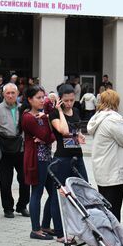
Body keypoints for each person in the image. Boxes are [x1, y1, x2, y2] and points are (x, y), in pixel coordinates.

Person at [48, 84, 89, 237]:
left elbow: (74, 131)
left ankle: (82, 226)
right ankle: (59, 232)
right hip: (62, 157)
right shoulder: (54, 114)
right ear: (60, 100)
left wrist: (79, 135)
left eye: (72, 100)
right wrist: (59, 110)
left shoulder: (76, 111)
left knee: (84, 189)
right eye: (66, 100)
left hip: (77, 156)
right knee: (59, 194)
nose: (69, 103)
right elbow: (64, 131)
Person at [20, 85, 60, 241]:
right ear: (30, 99)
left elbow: (50, 135)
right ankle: (35, 229)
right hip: (36, 159)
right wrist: (46, 121)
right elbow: (47, 135)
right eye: (38, 97)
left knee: (54, 192)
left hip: (46, 158)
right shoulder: (28, 117)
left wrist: (46, 122)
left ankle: (44, 225)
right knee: (37, 193)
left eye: (43, 97)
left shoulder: (41, 116)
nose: (42, 100)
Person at [86, 89, 123, 222]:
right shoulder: (113, 120)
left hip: (103, 169)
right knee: (114, 209)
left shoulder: (98, 117)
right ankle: (113, 238)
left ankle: (106, 235)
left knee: (106, 207)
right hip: (114, 171)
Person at [0, 83, 30, 218]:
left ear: (17, 94)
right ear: (3, 94)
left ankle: (22, 206)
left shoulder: (23, 109)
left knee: (25, 179)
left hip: (21, 149)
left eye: (12, 93)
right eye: (7, 93)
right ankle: (8, 208)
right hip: (4, 150)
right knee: (5, 180)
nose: (10, 95)